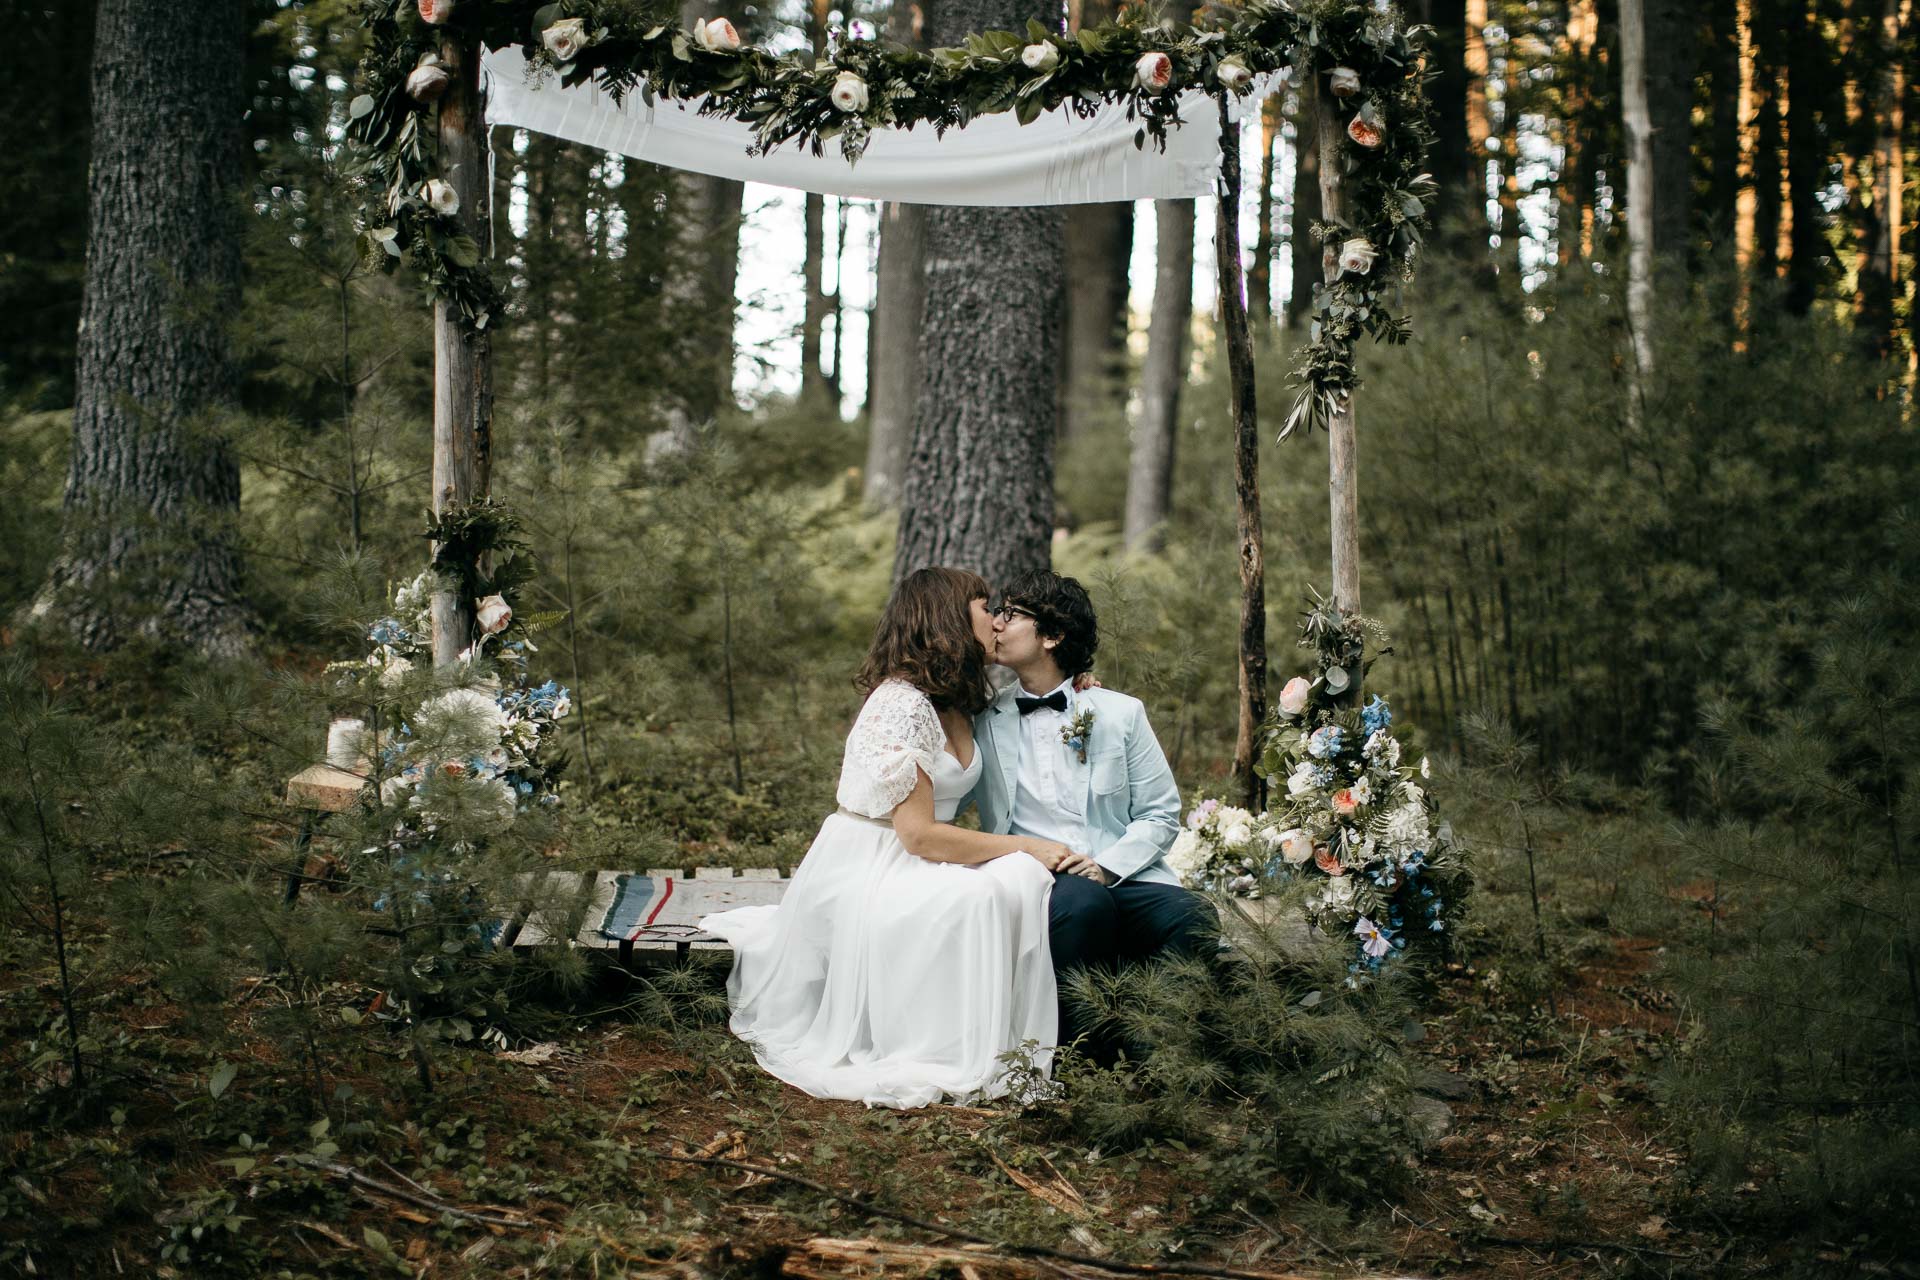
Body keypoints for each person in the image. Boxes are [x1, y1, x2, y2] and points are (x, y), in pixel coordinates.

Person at [699, 567, 1084, 1108]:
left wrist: (1080, 685)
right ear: (949, 618)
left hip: (922, 855)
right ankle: (946, 1044)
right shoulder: (902, 705)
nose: (995, 619)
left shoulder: (968, 691)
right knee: (989, 888)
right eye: (982, 605)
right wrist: (1027, 844)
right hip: (875, 859)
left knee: (1014, 881)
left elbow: (1042, 687)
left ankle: (1016, 1039)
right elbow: (920, 836)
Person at [966, 570, 1216, 1051]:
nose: (997, 623)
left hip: (1120, 871)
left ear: (1053, 635)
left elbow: (1161, 813)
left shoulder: (1120, 713)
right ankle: (1083, 1059)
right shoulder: (983, 720)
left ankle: (1162, 1052)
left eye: (1011, 613)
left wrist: (1107, 866)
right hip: (1035, 876)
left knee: (1191, 914)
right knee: (1083, 907)